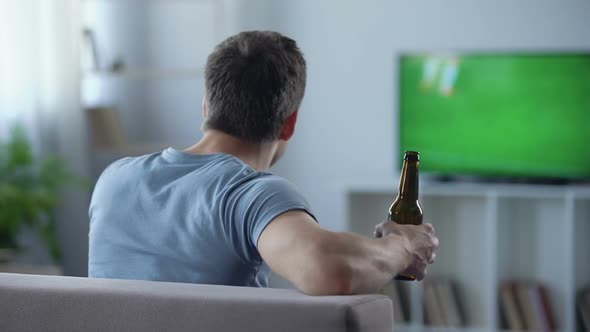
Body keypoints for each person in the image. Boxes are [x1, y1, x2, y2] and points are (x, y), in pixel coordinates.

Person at [88, 31, 439, 295]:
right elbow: (329, 270)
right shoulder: (251, 194)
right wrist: (404, 246)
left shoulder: (114, 179)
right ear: (290, 123)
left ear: (206, 107)